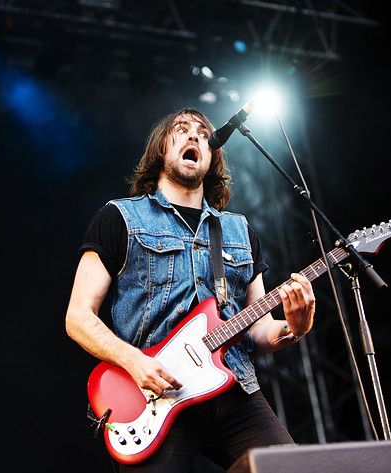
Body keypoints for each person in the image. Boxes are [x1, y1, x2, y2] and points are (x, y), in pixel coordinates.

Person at [65, 107, 316, 472]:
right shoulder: (119, 219)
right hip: (154, 394)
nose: (194, 135)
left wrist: (295, 327)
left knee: (294, 469)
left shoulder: (239, 231)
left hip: (234, 388)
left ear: (212, 154)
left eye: (202, 131)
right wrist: (135, 362)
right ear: (161, 150)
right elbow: (78, 318)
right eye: (181, 130)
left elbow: (257, 326)